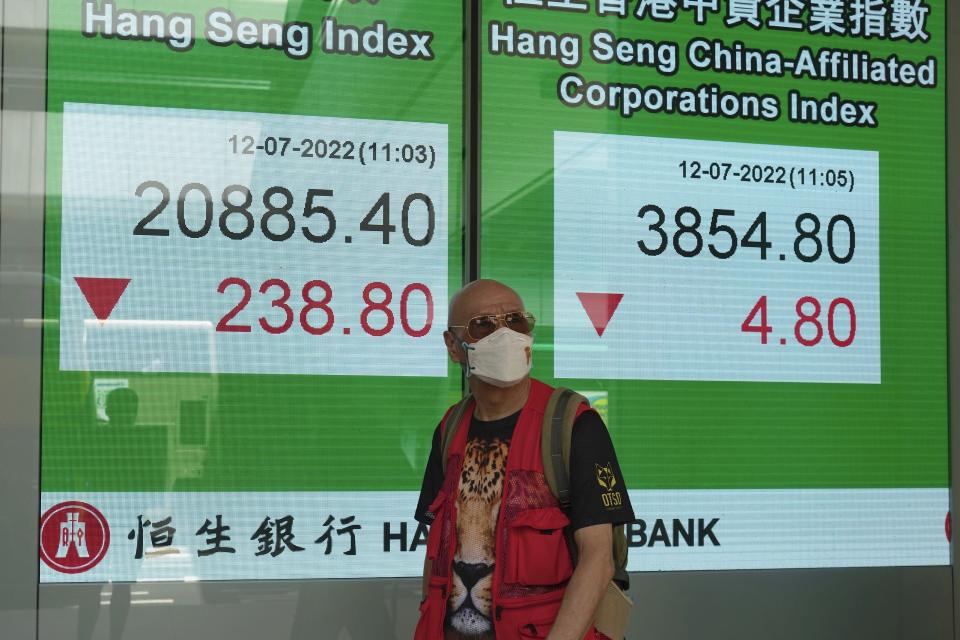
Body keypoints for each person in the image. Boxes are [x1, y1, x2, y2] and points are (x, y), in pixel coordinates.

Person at [414, 279, 634, 640]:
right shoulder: (450, 428)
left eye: (516, 320)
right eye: (483, 324)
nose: (505, 333)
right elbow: (437, 546)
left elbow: (598, 559)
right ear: (454, 347)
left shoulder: (574, 425)